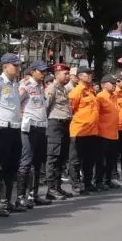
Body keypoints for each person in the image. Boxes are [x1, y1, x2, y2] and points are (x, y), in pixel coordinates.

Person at [0, 53, 24, 215]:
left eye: (19, 65)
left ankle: (6, 201)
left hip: (15, 128)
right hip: (1, 128)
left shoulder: (15, 84)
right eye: (15, 65)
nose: (18, 68)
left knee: (12, 165)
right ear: (5, 66)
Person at [18, 61, 51, 207]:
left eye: (45, 71)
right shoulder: (25, 85)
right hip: (29, 128)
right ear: (34, 71)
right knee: (26, 162)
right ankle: (21, 196)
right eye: (41, 71)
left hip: (41, 127)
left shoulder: (41, 87)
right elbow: (15, 102)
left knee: (38, 163)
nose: (43, 74)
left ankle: (34, 194)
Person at [68, 66, 100, 194]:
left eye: (90, 73)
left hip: (92, 131)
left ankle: (87, 183)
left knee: (89, 159)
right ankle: (76, 184)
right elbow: (70, 110)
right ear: (80, 76)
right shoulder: (76, 92)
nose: (90, 75)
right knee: (76, 159)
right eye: (87, 73)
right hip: (79, 130)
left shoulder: (91, 91)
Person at [45, 63, 74, 201]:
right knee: (53, 157)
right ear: (57, 74)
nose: (68, 76)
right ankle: (51, 189)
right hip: (55, 124)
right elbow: (46, 107)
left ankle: (57, 186)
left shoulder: (64, 89)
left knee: (62, 157)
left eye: (68, 74)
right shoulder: (52, 88)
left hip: (64, 124)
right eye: (65, 74)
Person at [96, 74, 120, 190]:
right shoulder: (100, 97)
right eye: (112, 83)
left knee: (111, 159)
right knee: (101, 160)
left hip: (114, 133)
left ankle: (108, 180)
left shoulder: (114, 96)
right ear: (104, 84)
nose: (115, 85)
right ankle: (99, 181)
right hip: (103, 133)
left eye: (115, 83)